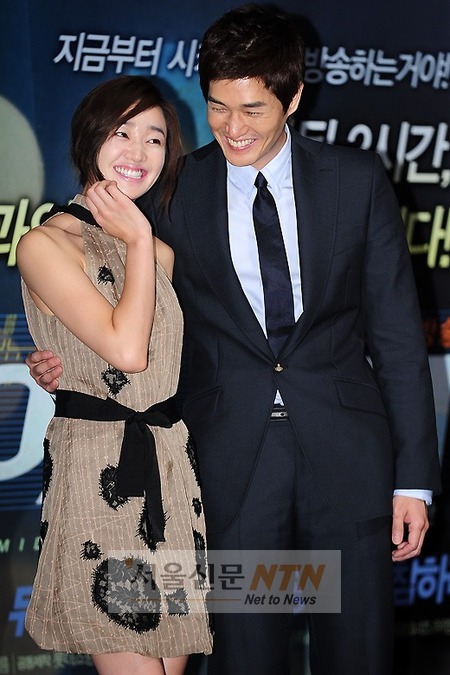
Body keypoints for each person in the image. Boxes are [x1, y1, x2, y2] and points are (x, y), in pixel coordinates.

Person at [26, 5, 442, 675]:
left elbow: (397, 338)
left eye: (252, 109)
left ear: (293, 96)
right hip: (229, 466)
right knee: (246, 657)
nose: (233, 128)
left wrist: (414, 481)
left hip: (348, 460)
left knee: (359, 654)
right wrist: (58, 360)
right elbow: (117, 310)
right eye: (218, 108)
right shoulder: (169, 191)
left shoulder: (356, 181)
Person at [17, 75, 212, 675]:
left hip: (171, 468)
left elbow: (161, 367)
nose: (140, 151)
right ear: (90, 139)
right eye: (123, 133)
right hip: (100, 471)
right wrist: (140, 238)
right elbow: (128, 352)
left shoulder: (159, 254)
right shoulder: (44, 244)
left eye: (155, 138)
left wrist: (140, 243)